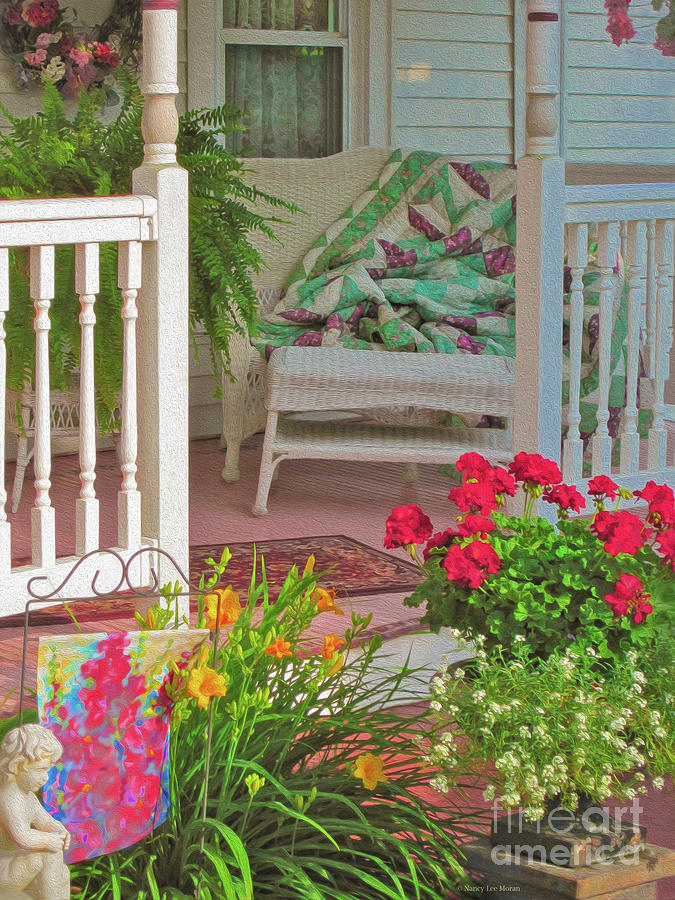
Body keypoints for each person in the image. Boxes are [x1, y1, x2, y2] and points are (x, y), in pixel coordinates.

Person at [0, 724, 70, 900]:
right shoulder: (8, 798)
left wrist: (58, 829)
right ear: (16, 767)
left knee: (61, 869)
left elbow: (44, 821)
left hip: (17, 865)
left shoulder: (28, 797)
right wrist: (50, 840)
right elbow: (22, 836)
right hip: (4, 870)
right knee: (47, 853)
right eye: (41, 770)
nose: (46, 777)